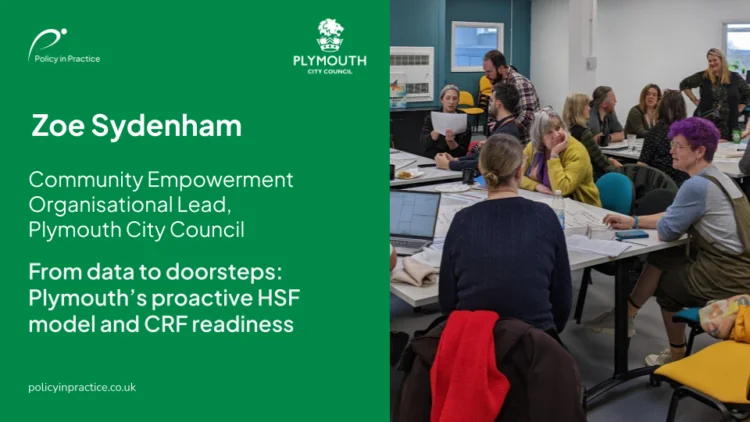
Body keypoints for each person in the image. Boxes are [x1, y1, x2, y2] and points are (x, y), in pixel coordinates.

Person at [586, 117, 750, 366]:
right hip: (739, 266)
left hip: (730, 275)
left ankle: (676, 355)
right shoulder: (719, 178)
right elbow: (675, 214)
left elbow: (667, 231)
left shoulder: (696, 185)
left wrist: (640, 222)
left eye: (678, 146)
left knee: (667, 288)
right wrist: (634, 221)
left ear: (700, 151)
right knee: (665, 254)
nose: (671, 150)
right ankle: (625, 314)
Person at [438, 134, 572, 336]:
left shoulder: (462, 220)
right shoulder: (545, 216)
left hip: (473, 338)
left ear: (481, 169)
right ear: (519, 172)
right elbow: (562, 298)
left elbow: (447, 300)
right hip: (535, 341)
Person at [521, 109, 602, 207]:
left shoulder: (577, 151)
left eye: (558, 128)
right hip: (545, 202)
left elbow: (562, 189)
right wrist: (536, 186)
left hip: (582, 207)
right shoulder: (533, 147)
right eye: (549, 132)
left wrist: (554, 155)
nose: (556, 135)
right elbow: (515, 176)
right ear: (540, 138)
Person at [435, 82, 520, 172]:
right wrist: (456, 160)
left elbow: (484, 163)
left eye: (491, 101)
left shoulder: (506, 132)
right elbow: (481, 156)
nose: (490, 104)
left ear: (498, 104)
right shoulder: (502, 126)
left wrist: (449, 164)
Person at [680, 48, 750, 141]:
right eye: (709, 61)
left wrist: (740, 107)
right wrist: (694, 99)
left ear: (722, 60)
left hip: (729, 125)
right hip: (706, 125)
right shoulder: (703, 76)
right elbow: (684, 84)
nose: (712, 63)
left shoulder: (735, 78)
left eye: (714, 60)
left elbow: (747, 93)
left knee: (730, 148)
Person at [482, 50, 540, 144]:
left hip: (521, 143)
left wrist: (504, 127)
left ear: (501, 68)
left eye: (489, 71)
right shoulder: (497, 81)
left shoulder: (520, 83)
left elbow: (527, 115)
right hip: (502, 138)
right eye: (485, 71)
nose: (486, 76)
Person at [563, 92, 622, 180]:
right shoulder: (584, 133)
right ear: (579, 109)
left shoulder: (566, 131)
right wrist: (619, 171)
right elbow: (600, 160)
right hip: (590, 176)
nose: (589, 108)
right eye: (587, 105)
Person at [638, 90, 691, 186]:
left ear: (661, 108)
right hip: (683, 186)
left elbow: (641, 166)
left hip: (658, 184)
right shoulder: (688, 132)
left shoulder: (654, 132)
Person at [420, 84, 472, 158]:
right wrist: (436, 131)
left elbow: (462, 152)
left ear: (458, 101)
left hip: (454, 159)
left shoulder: (463, 120)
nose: (451, 102)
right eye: (447, 98)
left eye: (455, 99)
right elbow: (424, 144)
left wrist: (451, 141)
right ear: (441, 100)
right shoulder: (432, 117)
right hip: (433, 157)